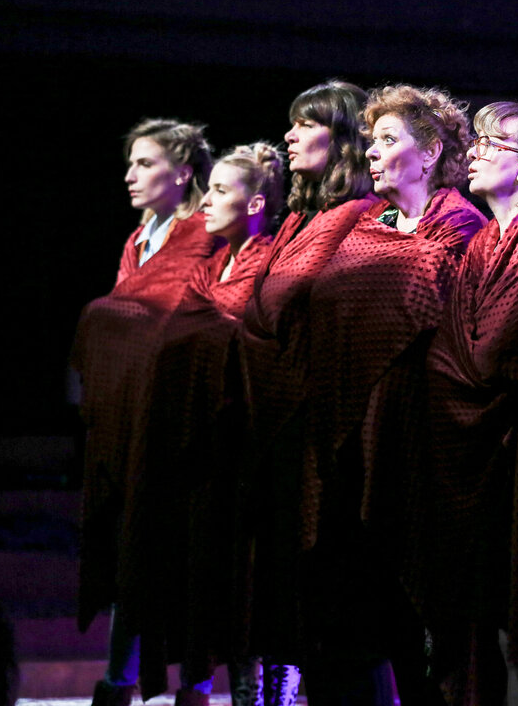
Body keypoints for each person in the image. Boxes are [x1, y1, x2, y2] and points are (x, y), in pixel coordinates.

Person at [301, 84, 484, 704]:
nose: (371, 154)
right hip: (347, 429)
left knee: (413, 612)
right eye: (370, 141)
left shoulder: (461, 227)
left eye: (387, 140)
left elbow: (453, 325)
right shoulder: (366, 227)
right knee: (350, 611)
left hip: (418, 440)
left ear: (429, 153)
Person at [412, 101, 518, 705]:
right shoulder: (484, 240)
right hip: (480, 451)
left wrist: (457, 366)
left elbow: (492, 352)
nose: (476, 151)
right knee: (505, 634)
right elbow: (448, 349)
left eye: (494, 143)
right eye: (478, 140)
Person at [73, 119, 219, 706]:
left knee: (180, 554)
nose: (130, 175)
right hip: (128, 417)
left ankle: (194, 687)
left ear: (182, 171)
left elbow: (187, 318)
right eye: (130, 163)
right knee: (127, 550)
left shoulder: (206, 231)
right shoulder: (138, 239)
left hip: (182, 420)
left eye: (145, 163)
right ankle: (118, 681)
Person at [239, 81, 376, 705]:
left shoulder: (359, 216)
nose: (289, 136)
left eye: (306, 124)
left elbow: (282, 306)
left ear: (344, 138)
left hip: (319, 422)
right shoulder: (300, 218)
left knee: (321, 585)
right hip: (276, 419)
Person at [138, 143, 285, 705]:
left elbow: (234, 328)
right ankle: (196, 684)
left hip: (249, 441)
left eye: (220, 191)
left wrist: (201, 330)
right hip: (199, 440)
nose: (205, 204)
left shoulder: (268, 259)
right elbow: (179, 331)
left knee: (247, 571)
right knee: (201, 567)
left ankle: (254, 687)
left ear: (254, 203)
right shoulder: (208, 266)